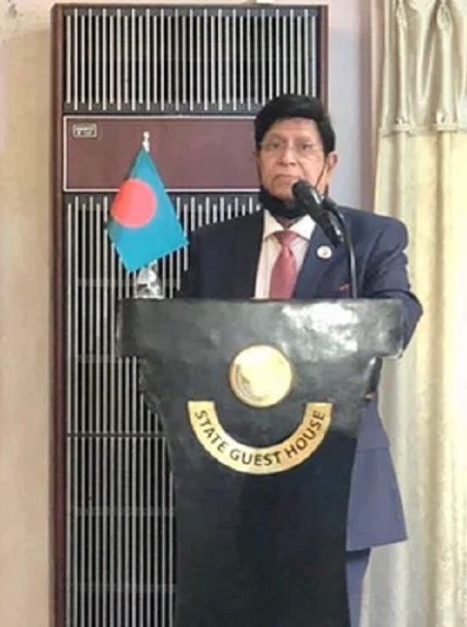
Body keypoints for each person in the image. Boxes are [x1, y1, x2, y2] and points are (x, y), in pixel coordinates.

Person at [180, 94, 422, 626]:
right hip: (236, 476)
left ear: (328, 164)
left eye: (303, 147)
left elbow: (400, 314)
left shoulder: (367, 238)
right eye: (274, 146)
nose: (287, 158)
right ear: (256, 159)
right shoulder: (213, 244)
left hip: (338, 472)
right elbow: (185, 344)